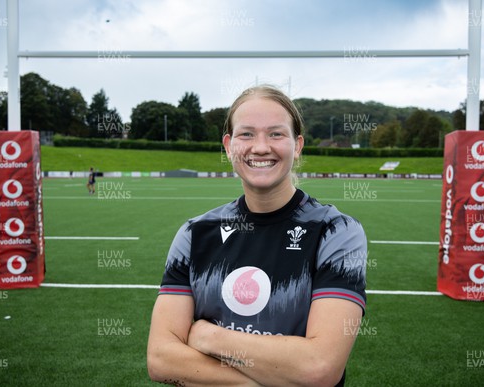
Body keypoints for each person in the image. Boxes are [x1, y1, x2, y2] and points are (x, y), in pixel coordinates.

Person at [147, 85, 367, 386]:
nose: (261, 147)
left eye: (276, 134)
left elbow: (320, 367)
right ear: (228, 145)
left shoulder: (336, 231)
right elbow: (161, 358)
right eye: (246, 134)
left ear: (297, 145)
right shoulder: (195, 233)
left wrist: (208, 336)